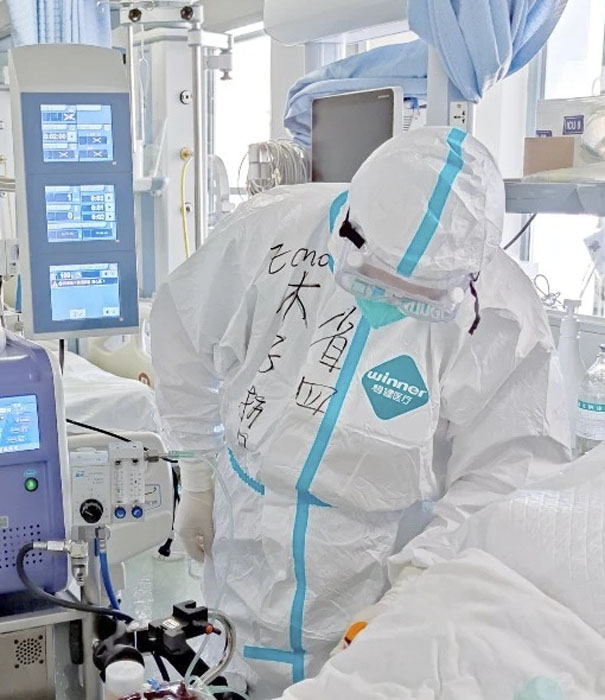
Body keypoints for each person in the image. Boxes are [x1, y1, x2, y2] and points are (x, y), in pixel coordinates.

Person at [151, 127, 570, 699]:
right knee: (229, 680)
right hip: (247, 534)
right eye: (374, 277)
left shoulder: (503, 318)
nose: (388, 301)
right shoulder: (270, 232)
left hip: (375, 573)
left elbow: (508, 472)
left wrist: (419, 581)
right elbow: (182, 337)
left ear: (465, 276)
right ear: (350, 227)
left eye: (417, 295)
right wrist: (197, 475)